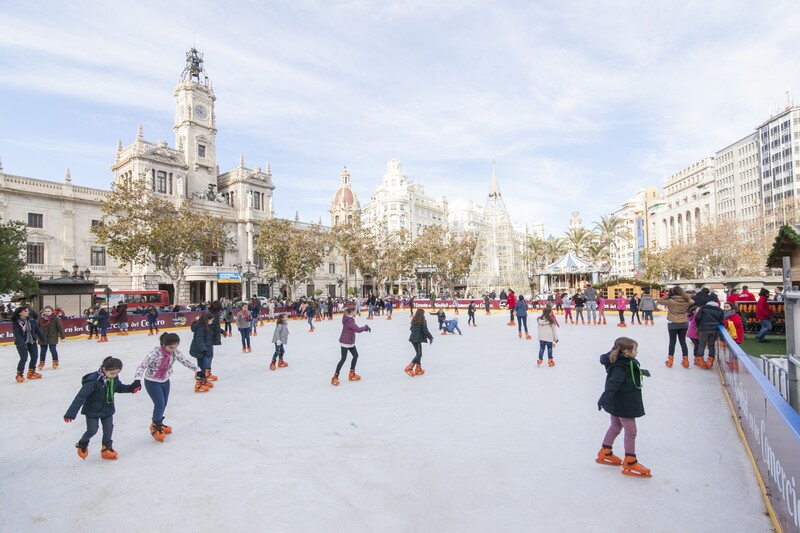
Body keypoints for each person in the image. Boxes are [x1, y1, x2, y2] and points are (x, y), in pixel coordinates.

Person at [64, 356, 140, 460]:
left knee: (109, 428)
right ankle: (82, 443)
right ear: (104, 369)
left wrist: (131, 388)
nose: (114, 376)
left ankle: (106, 449)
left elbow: (119, 387)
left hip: (107, 409)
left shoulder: (113, 378)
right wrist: (70, 414)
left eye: (117, 373)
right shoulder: (93, 381)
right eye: (112, 373)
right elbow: (80, 397)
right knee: (92, 430)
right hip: (92, 410)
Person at [596, 337, 651, 477]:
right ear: (626, 352)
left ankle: (605, 451)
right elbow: (613, 384)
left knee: (615, 426)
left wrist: (640, 371)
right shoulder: (621, 367)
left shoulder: (624, 363)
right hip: (624, 403)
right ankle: (630, 461)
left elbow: (627, 373)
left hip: (617, 402)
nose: (637, 352)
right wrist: (604, 398)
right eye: (635, 349)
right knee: (631, 430)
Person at [134, 332, 200, 442]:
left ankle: (159, 421)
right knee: (159, 403)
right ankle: (155, 427)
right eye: (171, 347)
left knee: (164, 403)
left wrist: (198, 370)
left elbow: (185, 361)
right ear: (163, 345)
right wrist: (137, 380)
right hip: (152, 381)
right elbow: (142, 365)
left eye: (175, 347)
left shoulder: (175, 353)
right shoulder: (155, 353)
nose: (173, 349)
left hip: (165, 380)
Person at [332, 306, 371, 386]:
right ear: (352, 312)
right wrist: (365, 328)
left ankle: (352, 373)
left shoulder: (349, 319)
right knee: (343, 359)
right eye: (355, 311)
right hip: (345, 342)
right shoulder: (350, 321)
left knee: (355, 355)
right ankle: (335, 377)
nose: (356, 313)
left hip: (350, 342)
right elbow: (358, 330)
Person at [658, 286, 693, 369]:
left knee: (672, 342)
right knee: (683, 342)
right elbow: (693, 301)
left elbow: (659, 301)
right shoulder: (687, 301)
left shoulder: (671, 301)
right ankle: (686, 361)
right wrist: (684, 295)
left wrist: (668, 295)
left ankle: (670, 361)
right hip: (683, 323)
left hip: (672, 323)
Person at [13, 305, 45, 382]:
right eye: (25, 311)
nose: (28, 312)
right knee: (24, 358)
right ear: (20, 313)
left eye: (28, 311)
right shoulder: (16, 322)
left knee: (34, 357)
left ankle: (31, 372)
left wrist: (42, 338)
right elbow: (17, 334)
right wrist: (22, 344)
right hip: (21, 343)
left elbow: (37, 330)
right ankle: (19, 374)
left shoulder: (31, 320)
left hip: (32, 342)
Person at [694, 293, 725, 369]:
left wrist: (698, 326)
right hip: (714, 330)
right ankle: (710, 361)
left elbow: (697, 318)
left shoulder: (703, 308)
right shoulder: (720, 310)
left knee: (702, 344)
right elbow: (721, 322)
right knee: (711, 345)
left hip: (703, 329)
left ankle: (700, 359)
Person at [189, 313, 215, 393]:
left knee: (202, 366)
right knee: (200, 367)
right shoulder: (200, 328)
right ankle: (198, 385)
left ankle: (204, 381)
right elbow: (199, 340)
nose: (211, 322)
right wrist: (203, 349)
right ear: (207, 320)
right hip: (199, 350)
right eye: (211, 320)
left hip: (201, 350)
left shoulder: (204, 327)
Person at [406, 308, 434, 376]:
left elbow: (411, 329)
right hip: (417, 339)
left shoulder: (414, 320)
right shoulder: (422, 320)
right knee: (419, 354)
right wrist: (430, 337)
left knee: (419, 354)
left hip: (412, 339)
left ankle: (418, 369)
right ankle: (409, 367)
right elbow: (425, 330)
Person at [38, 305, 65, 370]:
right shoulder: (40, 319)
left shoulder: (55, 318)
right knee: (43, 350)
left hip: (52, 336)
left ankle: (55, 361)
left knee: (52, 349)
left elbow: (60, 328)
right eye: (46, 311)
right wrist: (36, 336)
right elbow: (37, 328)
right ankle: (42, 363)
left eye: (48, 311)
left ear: (52, 312)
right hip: (42, 337)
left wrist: (62, 337)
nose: (47, 312)